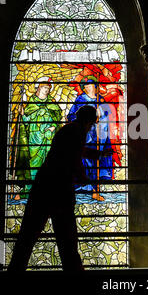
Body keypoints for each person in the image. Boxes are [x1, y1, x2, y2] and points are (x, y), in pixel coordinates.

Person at [7, 105, 112, 272]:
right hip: (59, 190)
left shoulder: (70, 130)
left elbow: (77, 152)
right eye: (92, 124)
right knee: (67, 237)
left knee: (29, 233)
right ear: (88, 121)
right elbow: (74, 157)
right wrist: (83, 177)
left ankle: (15, 269)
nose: (91, 127)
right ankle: (73, 271)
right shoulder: (77, 132)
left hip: (44, 186)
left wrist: (97, 155)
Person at [11, 76, 62, 198]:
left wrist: (53, 127)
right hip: (34, 139)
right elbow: (27, 121)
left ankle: (50, 189)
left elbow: (57, 119)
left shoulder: (52, 104)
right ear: (38, 88)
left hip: (48, 138)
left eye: (48, 88)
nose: (46, 90)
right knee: (33, 164)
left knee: (50, 163)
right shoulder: (31, 103)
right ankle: (29, 190)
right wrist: (23, 114)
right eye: (44, 87)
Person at [67, 75, 113, 200]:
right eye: (85, 86)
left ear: (95, 87)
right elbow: (71, 115)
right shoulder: (80, 100)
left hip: (98, 137)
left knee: (95, 165)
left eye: (90, 85)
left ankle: (94, 188)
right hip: (85, 139)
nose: (87, 88)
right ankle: (88, 187)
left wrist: (101, 115)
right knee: (85, 163)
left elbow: (108, 116)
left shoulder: (100, 100)